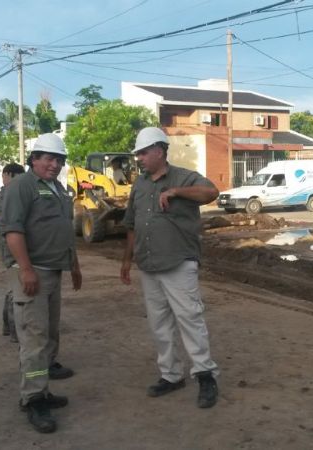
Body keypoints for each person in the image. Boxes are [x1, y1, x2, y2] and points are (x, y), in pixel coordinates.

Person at [120, 127, 221, 409]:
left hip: (178, 262)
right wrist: (127, 260)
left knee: (190, 319)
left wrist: (176, 191)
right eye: (137, 153)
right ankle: (171, 375)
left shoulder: (183, 176)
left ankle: (205, 375)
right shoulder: (139, 185)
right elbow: (131, 224)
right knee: (159, 324)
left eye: (143, 152)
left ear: (160, 151)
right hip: (149, 264)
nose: (139, 158)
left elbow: (211, 191)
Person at [2, 133, 82, 433]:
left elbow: (63, 230)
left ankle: (43, 389)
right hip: (33, 272)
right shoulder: (22, 187)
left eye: (58, 159)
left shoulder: (58, 188)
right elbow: (13, 230)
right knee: (33, 339)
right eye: (48, 158)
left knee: (48, 334)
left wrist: (73, 266)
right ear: (33, 158)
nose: (54, 164)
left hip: (54, 271)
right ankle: (33, 399)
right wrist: (25, 270)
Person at [0, 162, 25, 343]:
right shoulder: (0, 199)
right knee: (15, 291)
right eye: (17, 178)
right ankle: (14, 331)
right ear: (6, 176)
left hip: (15, 247)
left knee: (13, 288)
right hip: (10, 248)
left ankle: (7, 326)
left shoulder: (14, 195)